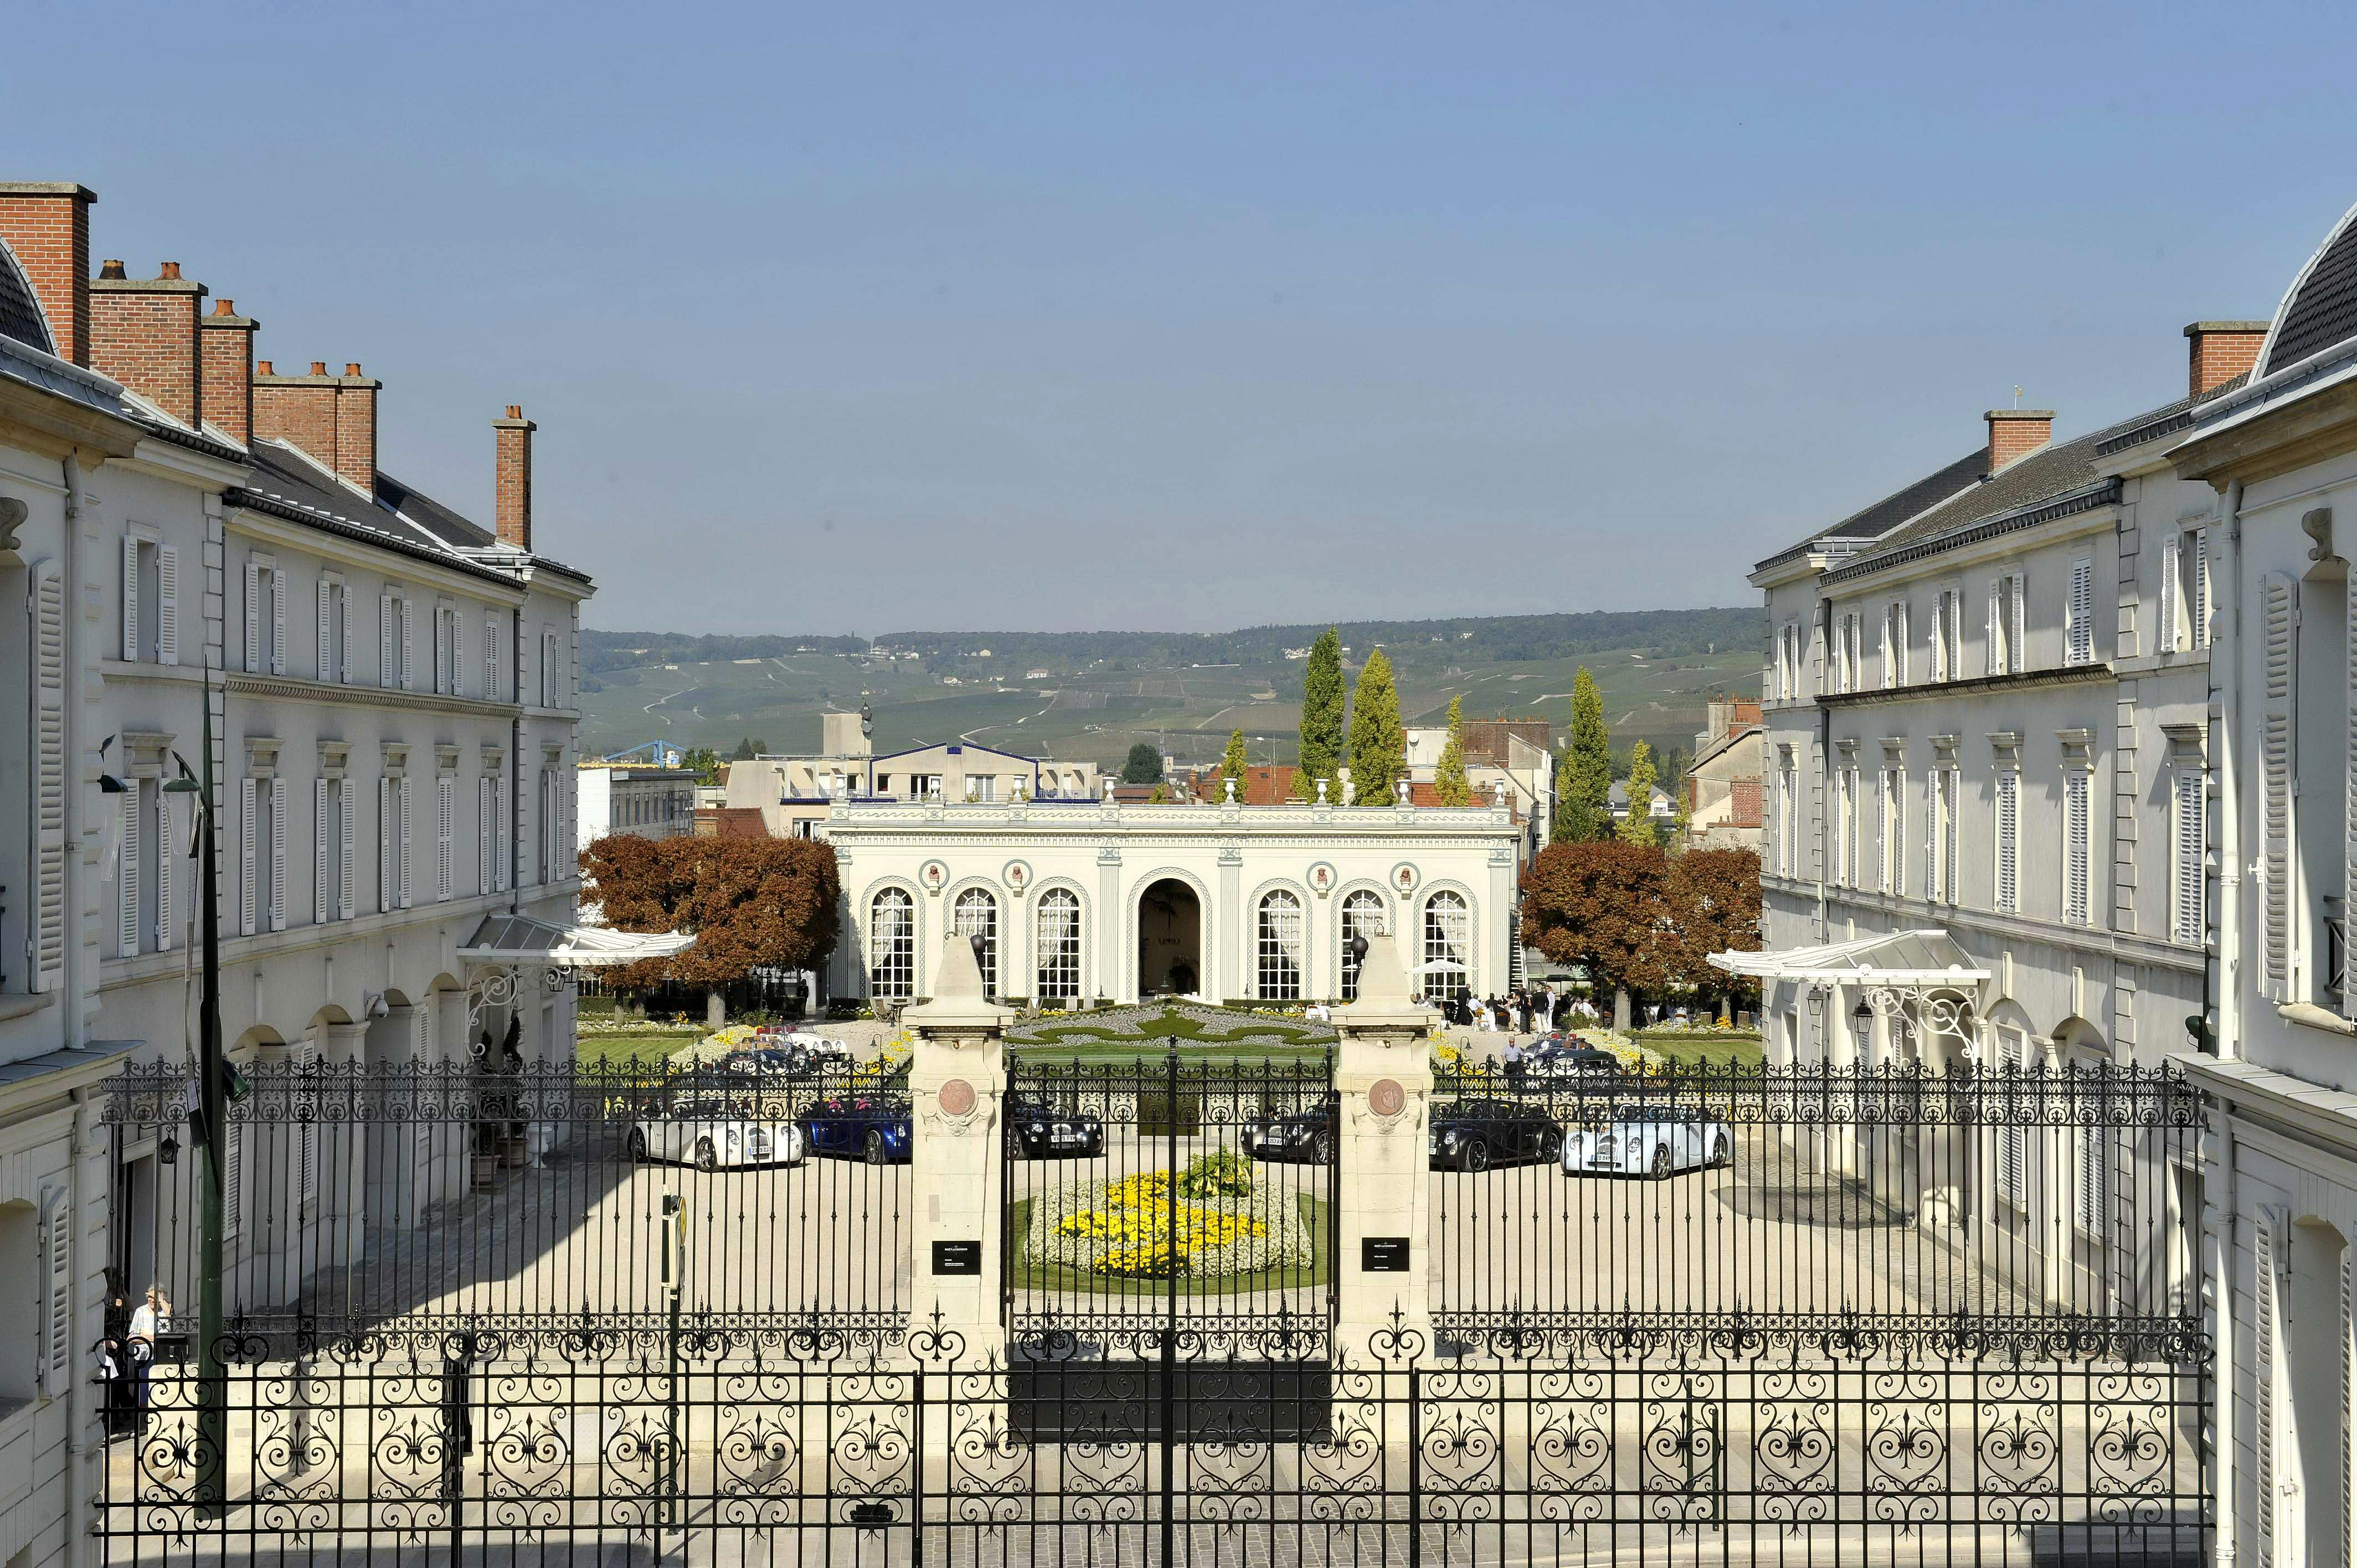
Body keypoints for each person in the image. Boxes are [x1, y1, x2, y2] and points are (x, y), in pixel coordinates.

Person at [127, 1283, 169, 1431]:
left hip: (161, 1357)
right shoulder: (141, 1312)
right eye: (150, 1297)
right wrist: (151, 1337)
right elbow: (132, 1337)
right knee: (143, 1390)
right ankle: (141, 1424)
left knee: (160, 1390)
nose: (152, 1300)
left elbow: (168, 1334)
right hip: (144, 1357)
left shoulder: (164, 1312)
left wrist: (162, 1301)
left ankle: (158, 1423)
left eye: (155, 1297)